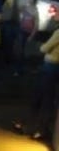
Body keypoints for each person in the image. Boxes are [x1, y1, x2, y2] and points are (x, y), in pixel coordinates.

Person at [12, 10, 59, 141]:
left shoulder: (58, 32)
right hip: (54, 67)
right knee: (45, 98)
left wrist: (42, 46)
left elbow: (44, 49)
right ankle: (35, 127)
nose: (53, 14)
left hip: (51, 65)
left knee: (42, 97)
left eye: (57, 12)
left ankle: (36, 128)